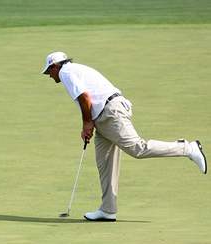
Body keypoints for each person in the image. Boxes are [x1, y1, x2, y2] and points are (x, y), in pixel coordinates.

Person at [42, 51, 207, 221]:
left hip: (110, 113)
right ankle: (108, 209)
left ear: (55, 66)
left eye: (49, 71)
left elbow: (85, 97)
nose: (49, 76)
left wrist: (86, 123)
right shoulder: (73, 69)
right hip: (103, 117)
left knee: (138, 148)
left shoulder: (66, 72)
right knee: (105, 163)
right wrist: (91, 122)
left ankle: (188, 148)